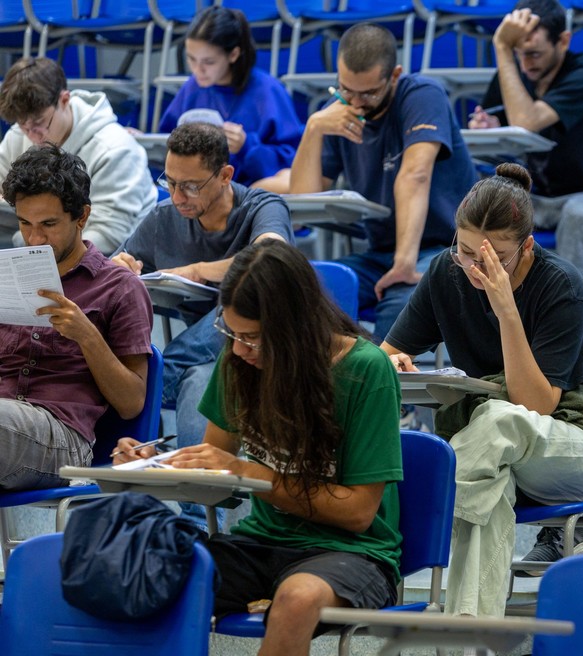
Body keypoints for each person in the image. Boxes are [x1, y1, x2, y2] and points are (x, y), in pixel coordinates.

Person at [114, 240, 402, 656]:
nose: (237, 349)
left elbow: (357, 513)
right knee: (141, 570)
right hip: (261, 544)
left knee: (296, 599)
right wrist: (153, 464)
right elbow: (213, 470)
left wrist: (251, 473)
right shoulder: (242, 363)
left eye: (252, 338)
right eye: (231, 333)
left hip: (352, 553)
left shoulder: (365, 370)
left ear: (295, 329)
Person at [382, 163, 583, 618]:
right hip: (495, 458)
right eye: (465, 250)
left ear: (527, 246)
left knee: (495, 420)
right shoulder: (445, 271)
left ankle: (426, 515)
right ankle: (469, 640)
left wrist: (505, 309)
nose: (474, 267)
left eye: (492, 258)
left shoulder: (561, 285)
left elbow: (536, 405)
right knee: (487, 489)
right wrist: (392, 362)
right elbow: (388, 352)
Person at [111, 121, 293, 525]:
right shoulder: (163, 218)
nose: (177, 196)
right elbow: (112, 271)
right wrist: (119, 268)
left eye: (190, 186)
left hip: (267, 346)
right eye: (170, 182)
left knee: (236, 304)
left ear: (225, 176)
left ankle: (156, 381)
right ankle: (196, 518)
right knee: (199, 382)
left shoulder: (262, 207)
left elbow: (270, 255)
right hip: (216, 360)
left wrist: (200, 269)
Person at [290, 22, 476, 342]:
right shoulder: (337, 114)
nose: (357, 103)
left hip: (444, 248)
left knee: (401, 298)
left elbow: (414, 175)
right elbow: (305, 197)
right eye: (346, 89)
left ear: (394, 75)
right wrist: (313, 129)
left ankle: (377, 380)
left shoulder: (421, 95)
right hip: (379, 253)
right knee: (298, 288)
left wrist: (404, 262)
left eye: (369, 93)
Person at [0, 144, 152, 490]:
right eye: (25, 223)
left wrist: (87, 336)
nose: (35, 237)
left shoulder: (119, 287)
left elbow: (131, 404)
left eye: (49, 224)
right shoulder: (8, 272)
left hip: (62, 436)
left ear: (82, 216)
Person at [468, 0, 583, 280]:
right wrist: (489, 126)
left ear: (563, 41)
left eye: (534, 54)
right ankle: (499, 309)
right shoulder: (516, 74)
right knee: (485, 205)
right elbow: (501, 128)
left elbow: (526, 121)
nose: (525, 65)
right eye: (518, 54)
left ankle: (569, 312)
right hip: (540, 199)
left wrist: (501, 48)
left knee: (579, 213)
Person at [0, 57, 157, 254]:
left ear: (64, 100)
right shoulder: (16, 137)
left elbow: (108, 235)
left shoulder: (116, 149)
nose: (33, 136)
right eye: (24, 126)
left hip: (110, 263)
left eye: (40, 123)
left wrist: (29, 243)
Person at [158, 6, 303, 192]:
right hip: (194, 189)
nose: (197, 70)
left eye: (208, 62)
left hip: (248, 193)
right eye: (191, 59)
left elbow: (294, 164)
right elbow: (166, 142)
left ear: (233, 54)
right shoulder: (192, 86)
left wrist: (246, 146)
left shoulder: (267, 91)